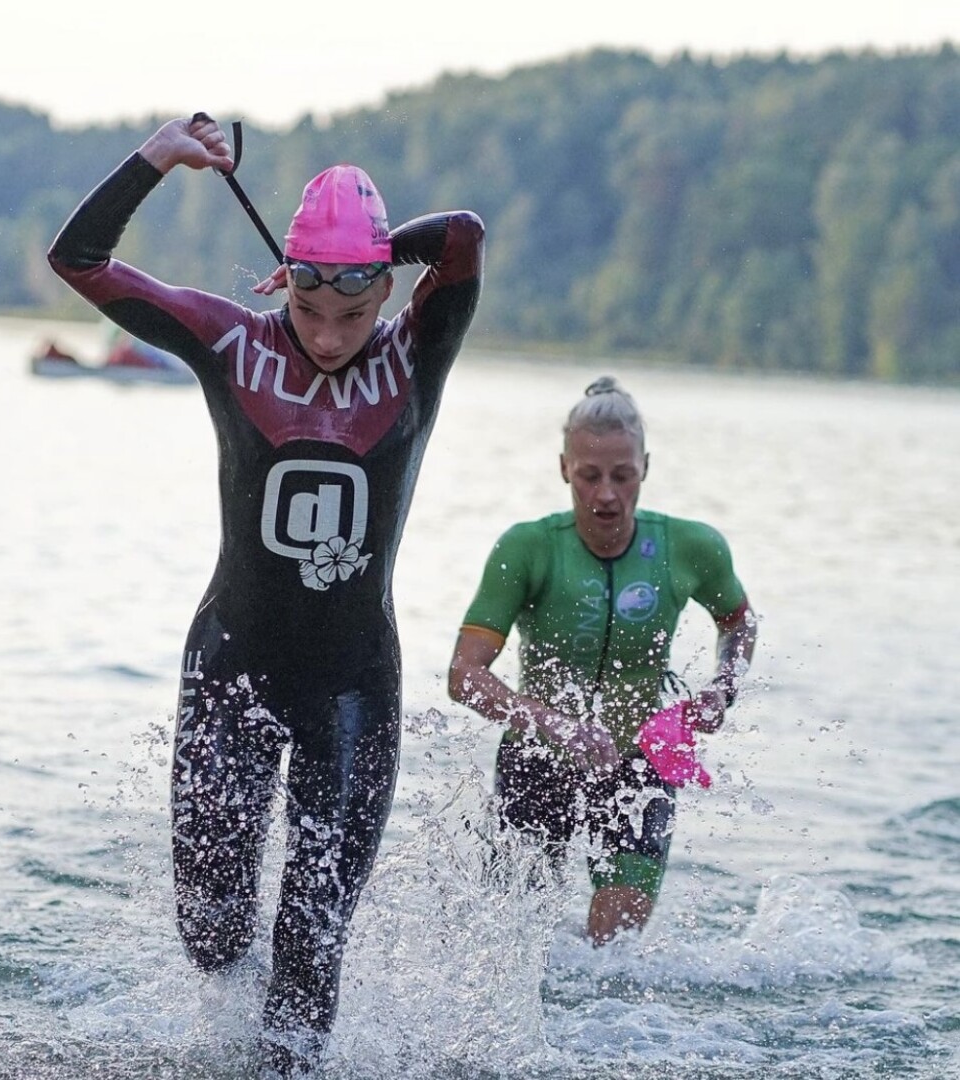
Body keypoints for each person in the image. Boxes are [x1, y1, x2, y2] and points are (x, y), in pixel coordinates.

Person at [47, 113, 484, 1073]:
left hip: (353, 687)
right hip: (231, 671)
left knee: (311, 949)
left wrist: (366, 256)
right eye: (311, 308)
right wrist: (160, 156)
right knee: (210, 934)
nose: (329, 336)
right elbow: (77, 258)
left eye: (353, 311)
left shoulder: (417, 353)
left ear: (382, 293)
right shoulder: (229, 340)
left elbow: (460, 238)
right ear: (282, 279)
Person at [448, 376, 756, 946]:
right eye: (590, 476)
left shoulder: (690, 547)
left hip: (641, 767)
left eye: (623, 475)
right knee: (506, 948)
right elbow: (464, 677)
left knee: (612, 957)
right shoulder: (528, 548)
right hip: (538, 759)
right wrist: (555, 724)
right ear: (565, 468)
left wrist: (724, 686)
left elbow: (738, 622)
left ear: (646, 467)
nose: (607, 495)